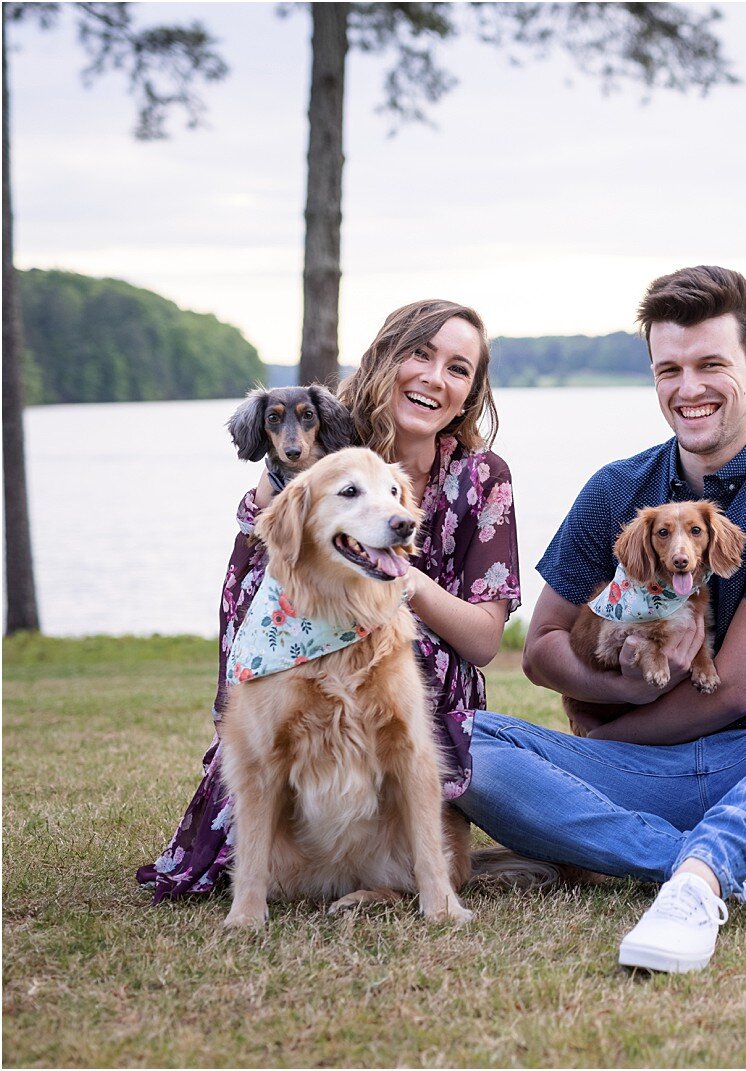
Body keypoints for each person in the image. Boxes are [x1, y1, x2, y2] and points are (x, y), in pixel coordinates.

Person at [457, 265, 746, 973]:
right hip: (639, 769)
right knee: (452, 736)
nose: (688, 388)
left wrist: (609, 739)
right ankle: (720, 866)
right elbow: (538, 649)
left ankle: (704, 867)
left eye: (711, 365)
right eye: (670, 368)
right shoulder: (618, 491)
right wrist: (623, 697)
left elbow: (741, 688)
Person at [137, 300, 521, 901]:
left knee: (442, 780)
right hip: (299, 669)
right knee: (235, 849)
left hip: (419, 687)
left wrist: (401, 578)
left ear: (471, 392)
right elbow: (251, 577)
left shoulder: (481, 477)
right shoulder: (317, 440)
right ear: (383, 359)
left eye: (458, 368)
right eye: (419, 354)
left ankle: (401, 878)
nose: (434, 377)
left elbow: (483, 641)